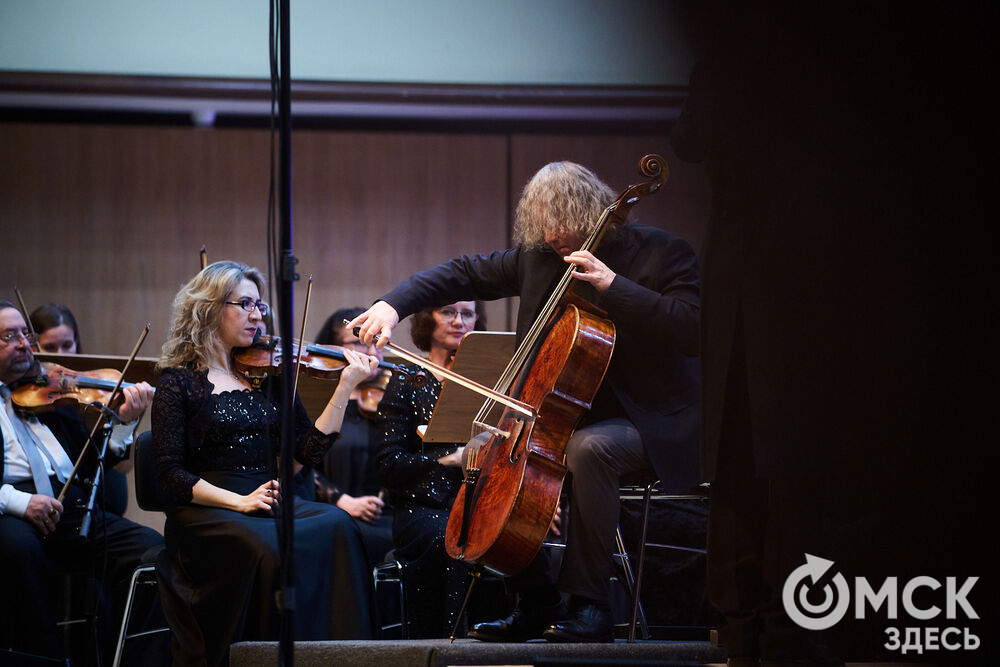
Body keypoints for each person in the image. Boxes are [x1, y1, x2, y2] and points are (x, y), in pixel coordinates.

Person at [351, 160, 700, 643]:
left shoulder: (663, 253)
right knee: (495, 453)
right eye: (545, 231)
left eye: (565, 228)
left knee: (589, 450)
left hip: (646, 421)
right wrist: (392, 305)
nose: (557, 241)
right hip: (561, 414)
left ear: (594, 211)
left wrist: (612, 285)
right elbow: (460, 272)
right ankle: (536, 601)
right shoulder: (539, 257)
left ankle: (590, 605)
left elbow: (691, 327)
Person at [151, 261, 378, 667]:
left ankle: (336, 659)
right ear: (209, 308)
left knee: (340, 527)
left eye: (260, 306)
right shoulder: (178, 382)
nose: (258, 315)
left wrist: (345, 386)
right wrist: (238, 502)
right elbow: (169, 474)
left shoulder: (268, 373)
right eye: (245, 304)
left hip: (266, 498)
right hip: (208, 509)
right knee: (268, 548)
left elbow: (307, 451)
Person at [0, 299, 162, 664]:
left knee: (154, 554)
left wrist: (121, 422)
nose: (24, 343)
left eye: (25, 334)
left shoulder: (47, 395)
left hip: (68, 504)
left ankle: (128, 657)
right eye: (10, 336)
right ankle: (45, 659)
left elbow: (92, 469)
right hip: (11, 508)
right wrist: (19, 502)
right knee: (20, 552)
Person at [374, 300, 493, 638]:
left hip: (483, 502)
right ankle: (449, 647)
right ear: (428, 319)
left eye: (467, 313)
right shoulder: (406, 380)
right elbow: (388, 465)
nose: (458, 321)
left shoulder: (489, 382)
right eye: (448, 312)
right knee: (452, 540)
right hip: (422, 509)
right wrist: (449, 458)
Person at [308, 306, 393, 570]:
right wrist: (340, 500)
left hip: (386, 513)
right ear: (332, 349)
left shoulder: (390, 397)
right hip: (331, 510)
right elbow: (297, 461)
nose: (371, 353)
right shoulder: (316, 398)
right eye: (358, 343)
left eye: (376, 343)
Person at [29, 301, 130, 516]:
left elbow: (122, 467)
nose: (60, 355)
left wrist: (126, 420)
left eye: (67, 345)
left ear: (77, 342)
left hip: (104, 493)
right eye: (49, 347)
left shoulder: (90, 391)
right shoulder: (32, 397)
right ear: (32, 348)